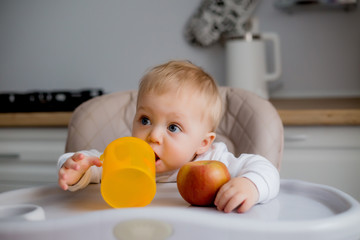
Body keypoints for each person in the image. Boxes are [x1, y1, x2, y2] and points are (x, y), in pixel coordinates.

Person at [57, 60, 279, 213]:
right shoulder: (125, 162)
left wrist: (250, 185)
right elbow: (89, 163)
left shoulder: (216, 164)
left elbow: (267, 170)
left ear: (202, 143)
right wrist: (77, 169)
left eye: (173, 127)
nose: (153, 136)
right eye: (145, 120)